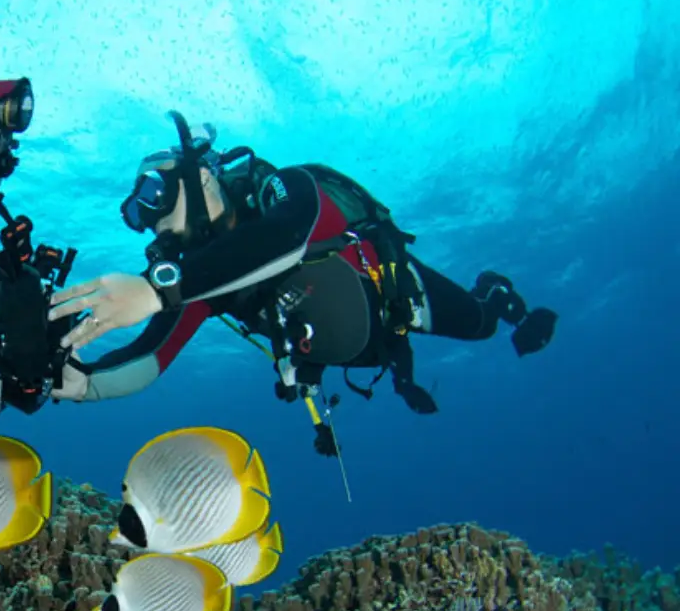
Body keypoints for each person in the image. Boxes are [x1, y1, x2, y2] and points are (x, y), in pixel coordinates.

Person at [45, 112, 558, 455]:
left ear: (199, 178)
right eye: (136, 215)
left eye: (153, 196)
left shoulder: (286, 188)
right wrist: (86, 383)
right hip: (353, 343)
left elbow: (288, 235)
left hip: (398, 296)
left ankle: (496, 292)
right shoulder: (204, 279)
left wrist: (159, 288)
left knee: (483, 326)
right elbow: (152, 356)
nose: (148, 222)